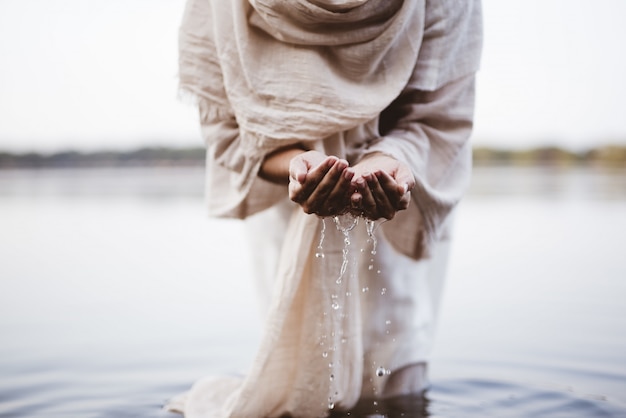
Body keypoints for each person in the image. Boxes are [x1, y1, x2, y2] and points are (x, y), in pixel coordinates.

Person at [167, 0, 482, 417]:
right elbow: (226, 124)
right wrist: (295, 164)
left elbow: (437, 115)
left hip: (407, 176)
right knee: (305, 348)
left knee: (397, 362)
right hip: (284, 190)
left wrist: (389, 162)